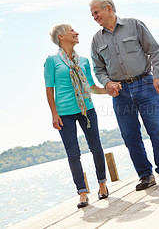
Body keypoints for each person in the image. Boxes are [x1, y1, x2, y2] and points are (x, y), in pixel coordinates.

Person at [89, 0, 159, 191]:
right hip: (120, 92)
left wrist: (158, 75)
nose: (94, 17)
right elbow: (98, 69)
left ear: (109, 8)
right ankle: (145, 175)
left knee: (156, 129)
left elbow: (154, 50)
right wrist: (107, 82)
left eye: (96, 12)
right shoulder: (96, 39)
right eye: (92, 14)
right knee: (130, 135)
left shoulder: (134, 25)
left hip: (145, 83)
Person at [44, 24, 110, 208]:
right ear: (61, 37)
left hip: (86, 109)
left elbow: (90, 87)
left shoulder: (83, 61)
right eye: (71, 31)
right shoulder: (52, 61)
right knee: (73, 154)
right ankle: (82, 192)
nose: (76, 33)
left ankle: (102, 184)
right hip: (64, 114)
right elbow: (49, 90)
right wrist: (54, 114)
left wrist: (109, 90)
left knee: (96, 146)